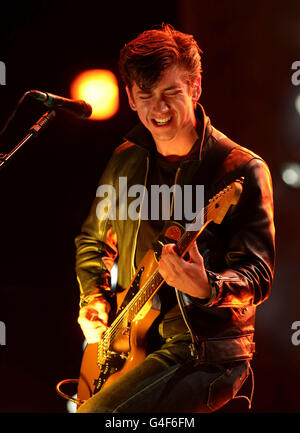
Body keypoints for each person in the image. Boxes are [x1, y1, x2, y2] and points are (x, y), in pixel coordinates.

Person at [75, 24, 275, 413]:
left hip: (206, 352)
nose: (159, 109)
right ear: (131, 96)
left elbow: (258, 273)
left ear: (195, 88)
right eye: (146, 95)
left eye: (172, 93)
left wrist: (209, 286)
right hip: (131, 342)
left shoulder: (241, 168)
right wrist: (93, 298)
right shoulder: (124, 161)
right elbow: (93, 240)